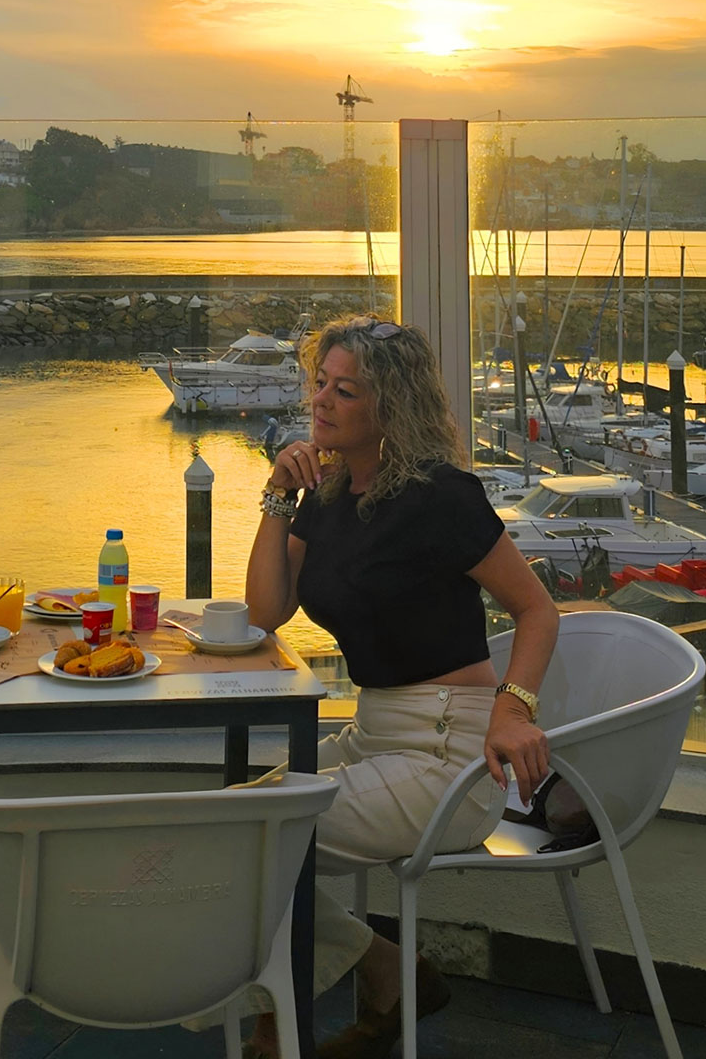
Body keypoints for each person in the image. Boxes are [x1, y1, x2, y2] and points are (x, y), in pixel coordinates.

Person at [244, 313, 559, 1059]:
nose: (320, 401)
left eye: (344, 390)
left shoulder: (440, 497)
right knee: (236, 820)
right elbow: (265, 610)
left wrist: (513, 711)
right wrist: (277, 495)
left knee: (258, 832)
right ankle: (386, 970)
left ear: (391, 406)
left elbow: (537, 610)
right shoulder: (326, 493)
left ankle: (279, 1030)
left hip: (450, 753)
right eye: (320, 382)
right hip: (376, 733)